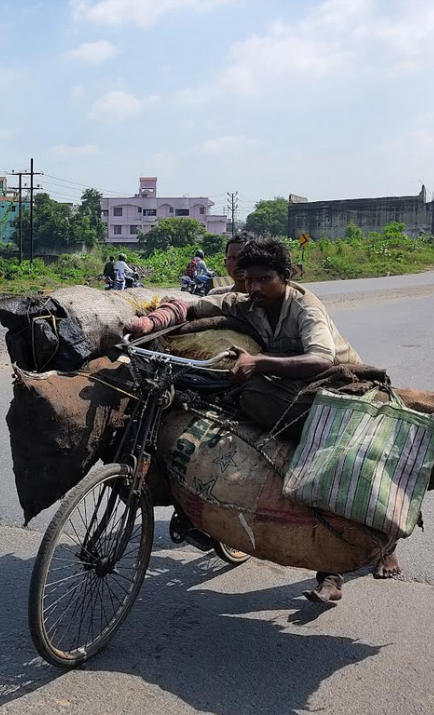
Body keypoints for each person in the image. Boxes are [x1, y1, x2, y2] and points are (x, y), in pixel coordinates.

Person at [130, 238, 364, 605]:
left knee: (319, 465)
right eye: (248, 279)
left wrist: (260, 362)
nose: (254, 288)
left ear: (285, 277)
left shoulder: (306, 307)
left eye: (264, 279)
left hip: (333, 391)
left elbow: (321, 360)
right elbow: (189, 308)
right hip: (279, 389)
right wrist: (148, 322)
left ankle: (334, 568)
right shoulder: (243, 301)